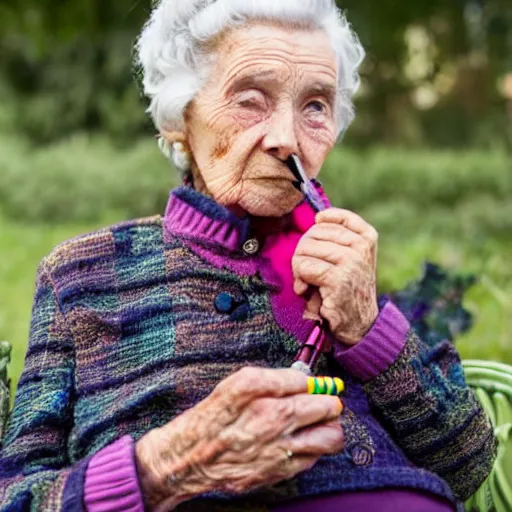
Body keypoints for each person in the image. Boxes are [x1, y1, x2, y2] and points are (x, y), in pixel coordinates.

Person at [0, 1, 497, 511]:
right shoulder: (80, 276)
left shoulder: (346, 266)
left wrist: (366, 325)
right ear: (180, 117)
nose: (287, 140)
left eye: (315, 106)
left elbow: (468, 464)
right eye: (250, 100)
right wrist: (166, 465)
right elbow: (18, 498)